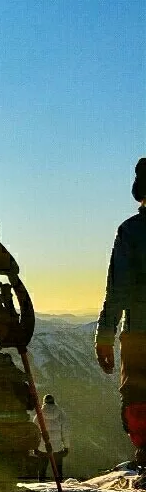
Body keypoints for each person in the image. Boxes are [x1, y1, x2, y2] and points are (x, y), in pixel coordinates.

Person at [96, 158, 146, 469]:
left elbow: (117, 289)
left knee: (139, 399)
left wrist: (104, 334)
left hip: (140, 333)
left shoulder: (131, 232)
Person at [32, 393, 69, 481]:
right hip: (57, 447)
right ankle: (60, 487)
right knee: (58, 471)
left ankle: (41, 487)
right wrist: (66, 447)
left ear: (44, 402)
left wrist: (35, 447)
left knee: (42, 471)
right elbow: (65, 432)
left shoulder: (39, 415)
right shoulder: (61, 414)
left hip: (42, 446)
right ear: (53, 401)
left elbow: (34, 432)